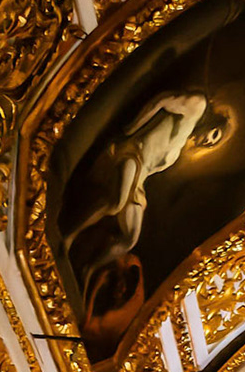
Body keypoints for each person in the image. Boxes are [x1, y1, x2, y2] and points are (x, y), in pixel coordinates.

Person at [60, 90, 228, 315]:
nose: (208, 140)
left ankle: (90, 270)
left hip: (139, 177)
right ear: (212, 122)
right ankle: (70, 236)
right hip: (132, 154)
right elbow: (160, 100)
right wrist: (131, 127)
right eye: (213, 134)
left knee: (130, 238)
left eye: (211, 143)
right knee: (116, 204)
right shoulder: (197, 105)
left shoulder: (181, 143)